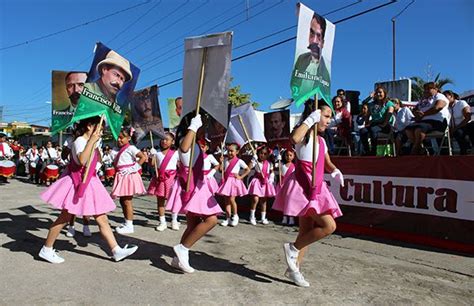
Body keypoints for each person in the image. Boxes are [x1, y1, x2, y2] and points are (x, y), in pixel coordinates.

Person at [38, 116, 138, 263]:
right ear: (90, 126)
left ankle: (116, 250)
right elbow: (82, 160)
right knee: (64, 217)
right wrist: (91, 142)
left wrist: (95, 145)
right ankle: (46, 249)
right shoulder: (79, 141)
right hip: (77, 183)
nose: (102, 131)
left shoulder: (92, 142)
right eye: (100, 127)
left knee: (102, 218)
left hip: (90, 182)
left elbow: (97, 161)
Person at [273, 100, 344, 287]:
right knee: (329, 226)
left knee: (306, 230)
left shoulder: (321, 140)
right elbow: (294, 139)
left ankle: (294, 269)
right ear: (315, 114)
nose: (329, 120)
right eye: (326, 116)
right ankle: (292, 249)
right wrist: (310, 119)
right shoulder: (303, 134)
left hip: (317, 187)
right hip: (303, 187)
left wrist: (336, 171)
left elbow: (327, 162)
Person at [170, 114, 223, 273]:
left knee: (192, 225)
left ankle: (178, 258)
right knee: (211, 220)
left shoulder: (197, 144)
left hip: (197, 184)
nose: (205, 128)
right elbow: (184, 148)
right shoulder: (185, 141)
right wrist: (193, 126)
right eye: (203, 125)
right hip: (192, 186)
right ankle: (183, 248)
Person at [111, 127, 147, 235]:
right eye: (117, 137)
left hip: (128, 176)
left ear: (129, 138)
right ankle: (127, 221)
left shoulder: (131, 148)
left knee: (127, 201)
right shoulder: (115, 149)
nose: (119, 140)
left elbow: (143, 157)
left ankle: (130, 225)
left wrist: (133, 168)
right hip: (121, 175)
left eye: (122, 138)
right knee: (122, 201)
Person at [291, 12, 330, 103]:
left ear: (323, 42)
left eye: (318, 36)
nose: (314, 41)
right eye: (312, 34)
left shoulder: (325, 71)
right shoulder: (301, 59)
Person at [405, 82, 450, 155]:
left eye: (429, 88)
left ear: (435, 89)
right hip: (423, 122)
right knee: (408, 129)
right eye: (425, 89)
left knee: (418, 130)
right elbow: (414, 109)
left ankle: (414, 151)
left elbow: (438, 107)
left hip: (436, 121)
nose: (426, 91)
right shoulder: (423, 99)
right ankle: (421, 149)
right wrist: (416, 113)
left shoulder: (439, 96)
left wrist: (423, 114)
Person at [148, 132, 180, 231]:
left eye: (167, 139)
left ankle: (174, 220)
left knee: (174, 200)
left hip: (172, 179)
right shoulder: (157, 153)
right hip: (160, 179)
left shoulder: (176, 153)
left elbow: (181, 166)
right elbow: (152, 164)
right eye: (162, 139)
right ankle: (162, 222)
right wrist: (151, 156)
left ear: (173, 141)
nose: (164, 141)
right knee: (160, 201)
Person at [216, 143, 250, 227]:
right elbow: (221, 170)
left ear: (237, 151)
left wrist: (241, 176)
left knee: (232, 199)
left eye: (232, 151)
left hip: (234, 181)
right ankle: (227, 218)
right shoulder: (225, 160)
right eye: (228, 151)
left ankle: (235, 216)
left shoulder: (239, 161)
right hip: (227, 181)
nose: (230, 153)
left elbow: (247, 169)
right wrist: (220, 163)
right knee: (226, 200)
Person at [359, 86, 395, 155]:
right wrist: (370, 97)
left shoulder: (388, 103)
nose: (378, 94)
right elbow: (365, 106)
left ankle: (373, 151)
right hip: (374, 124)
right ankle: (367, 151)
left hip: (385, 125)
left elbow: (390, 112)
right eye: (377, 92)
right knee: (362, 131)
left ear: (384, 93)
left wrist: (384, 123)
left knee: (373, 130)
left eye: (380, 92)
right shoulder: (372, 104)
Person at [248, 145, 276, 225]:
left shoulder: (269, 164)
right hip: (257, 181)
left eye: (264, 154)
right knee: (255, 199)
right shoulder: (256, 162)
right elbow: (249, 168)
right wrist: (253, 160)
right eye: (261, 153)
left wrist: (271, 178)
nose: (262, 155)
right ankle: (252, 216)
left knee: (263, 201)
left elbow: (272, 172)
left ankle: (263, 217)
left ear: (267, 155)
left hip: (265, 182)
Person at [444, 90, 473, 155]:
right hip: (454, 129)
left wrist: (456, 128)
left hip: (465, 125)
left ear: (451, 96)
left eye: (445, 97)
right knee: (458, 133)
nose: (444, 99)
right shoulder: (445, 108)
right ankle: (464, 152)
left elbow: (468, 118)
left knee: (471, 126)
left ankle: (469, 149)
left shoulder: (461, 103)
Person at [277, 148, 296, 226]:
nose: (288, 157)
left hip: (291, 186)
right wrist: (277, 159)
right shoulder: (281, 165)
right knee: (284, 202)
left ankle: (291, 218)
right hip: (283, 185)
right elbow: (280, 174)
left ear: (293, 156)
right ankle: (284, 217)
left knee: (290, 202)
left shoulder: (295, 166)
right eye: (287, 155)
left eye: (290, 155)